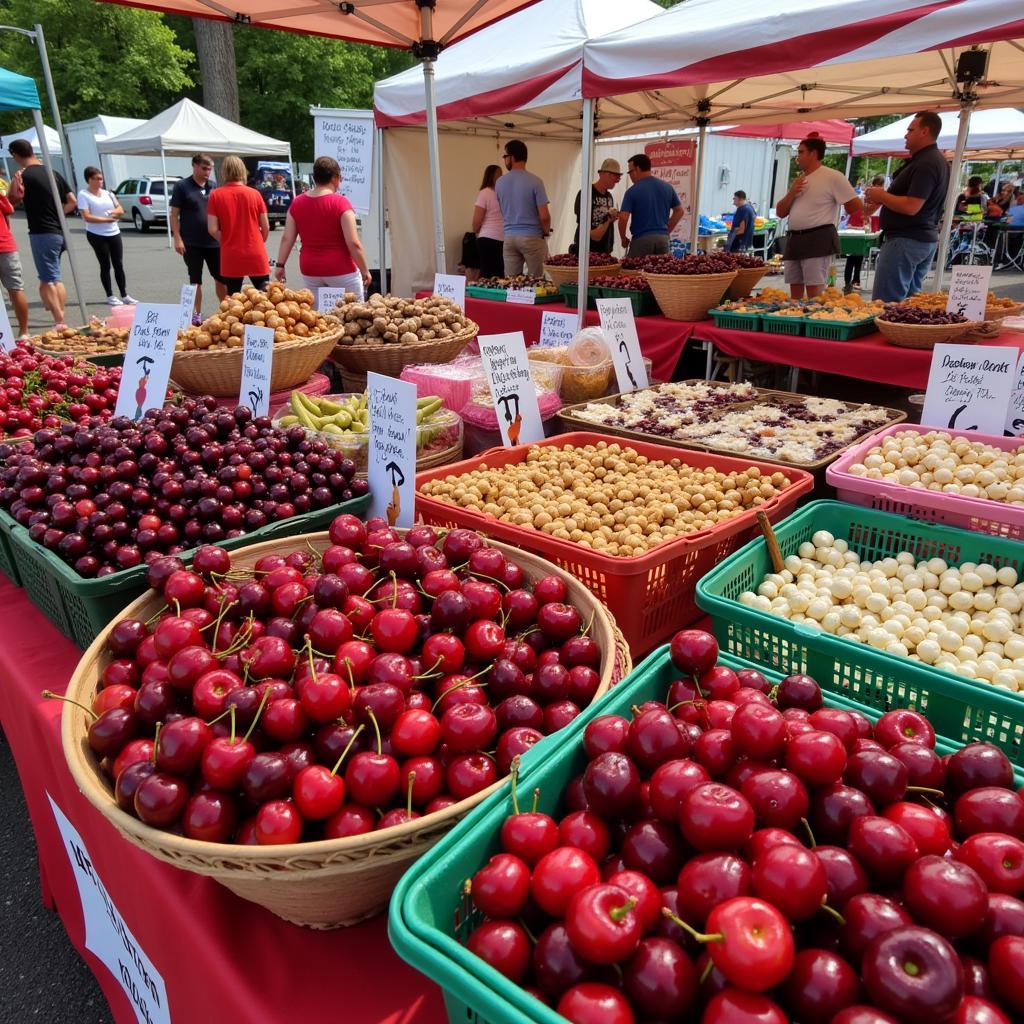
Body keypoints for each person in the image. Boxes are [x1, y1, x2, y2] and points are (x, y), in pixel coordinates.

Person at [864, 111, 949, 303]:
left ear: (924, 132)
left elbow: (912, 206)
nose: (906, 134)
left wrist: (882, 195)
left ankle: (891, 334)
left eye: (910, 130)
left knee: (887, 305)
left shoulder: (927, 163)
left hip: (906, 240)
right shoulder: (933, 160)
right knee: (909, 305)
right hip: (919, 238)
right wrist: (884, 198)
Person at [273, 155, 371, 299]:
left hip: (310, 270)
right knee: (352, 315)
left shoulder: (297, 203)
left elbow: (287, 238)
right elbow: (354, 243)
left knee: (318, 317)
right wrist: (364, 270)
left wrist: (280, 265)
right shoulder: (341, 203)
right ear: (334, 178)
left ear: (315, 178)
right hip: (341, 269)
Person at [776, 137, 862, 300]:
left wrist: (844, 209)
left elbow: (855, 204)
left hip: (818, 237)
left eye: (801, 152)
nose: (797, 156)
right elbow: (781, 212)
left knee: (815, 293)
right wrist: (792, 191)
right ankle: (796, 321)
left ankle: (813, 322)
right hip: (794, 238)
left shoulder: (832, 176)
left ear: (813, 153)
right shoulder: (800, 180)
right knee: (795, 291)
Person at [6, 138, 76, 330]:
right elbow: (72, 200)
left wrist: (14, 186)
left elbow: (12, 201)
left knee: (47, 280)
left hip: (41, 232)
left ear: (16, 155)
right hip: (60, 231)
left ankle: (60, 321)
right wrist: (58, 213)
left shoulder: (22, 175)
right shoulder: (53, 172)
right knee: (55, 276)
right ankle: (60, 317)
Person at [170, 154, 227, 322]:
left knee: (221, 279)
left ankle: (225, 310)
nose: (207, 172)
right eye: (204, 168)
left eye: (209, 169)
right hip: (191, 242)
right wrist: (177, 238)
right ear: (194, 166)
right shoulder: (182, 186)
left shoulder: (214, 186)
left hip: (213, 241)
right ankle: (196, 314)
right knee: (195, 280)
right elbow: (174, 215)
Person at [206, 155, 270, 294]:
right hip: (255, 251)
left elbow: (212, 229)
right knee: (266, 298)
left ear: (224, 171)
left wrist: (228, 240)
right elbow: (266, 227)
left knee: (234, 301)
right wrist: (259, 240)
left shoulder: (216, 195)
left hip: (231, 253)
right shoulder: (255, 194)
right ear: (243, 171)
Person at [77, 166, 136, 307]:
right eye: (96, 179)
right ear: (89, 179)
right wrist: (107, 219)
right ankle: (110, 295)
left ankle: (124, 294)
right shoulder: (83, 194)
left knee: (119, 264)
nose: (100, 181)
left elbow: (120, 209)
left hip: (113, 232)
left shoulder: (107, 193)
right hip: (96, 234)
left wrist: (111, 213)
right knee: (105, 265)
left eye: (101, 178)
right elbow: (87, 216)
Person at [495, 140, 551, 277]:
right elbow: (544, 216)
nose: (504, 160)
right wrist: (546, 232)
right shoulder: (536, 182)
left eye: (505, 157)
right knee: (536, 281)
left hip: (509, 237)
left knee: (512, 283)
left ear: (512, 157)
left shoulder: (499, 182)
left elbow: (503, 210)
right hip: (532, 236)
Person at [618, 153, 683, 256]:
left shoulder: (632, 191)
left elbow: (623, 218)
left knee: (634, 271)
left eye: (630, 172)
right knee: (660, 270)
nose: (630, 175)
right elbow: (679, 211)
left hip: (641, 240)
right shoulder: (667, 187)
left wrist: (623, 238)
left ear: (638, 169)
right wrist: (666, 229)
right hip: (663, 239)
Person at [843, 174, 884, 293]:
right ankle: (849, 282)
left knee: (858, 259)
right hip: (854, 233)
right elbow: (851, 222)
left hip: (861, 233)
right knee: (852, 259)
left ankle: (855, 281)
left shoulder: (870, 201)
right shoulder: (861, 200)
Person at [572, 158, 622, 256]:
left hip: (604, 249)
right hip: (586, 249)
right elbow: (582, 224)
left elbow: (606, 221)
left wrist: (611, 219)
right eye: (616, 177)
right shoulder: (586, 193)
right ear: (606, 174)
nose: (617, 181)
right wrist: (608, 218)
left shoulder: (609, 196)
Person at [0, 182, 30, 339]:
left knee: (15, 289)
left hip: (5, 244)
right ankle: (24, 331)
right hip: (6, 244)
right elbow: (10, 209)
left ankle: (19, 331)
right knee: (15, 288)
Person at [470, 164, 505, 279]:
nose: (501, 176)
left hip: (490, 237)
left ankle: (489, 295)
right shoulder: (492, 193)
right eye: (498, 174)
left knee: (489, 273)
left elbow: (476, 221)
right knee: (497, 272)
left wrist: (476, 230)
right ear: (491, 176)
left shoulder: (486, 193)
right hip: (498, 238)